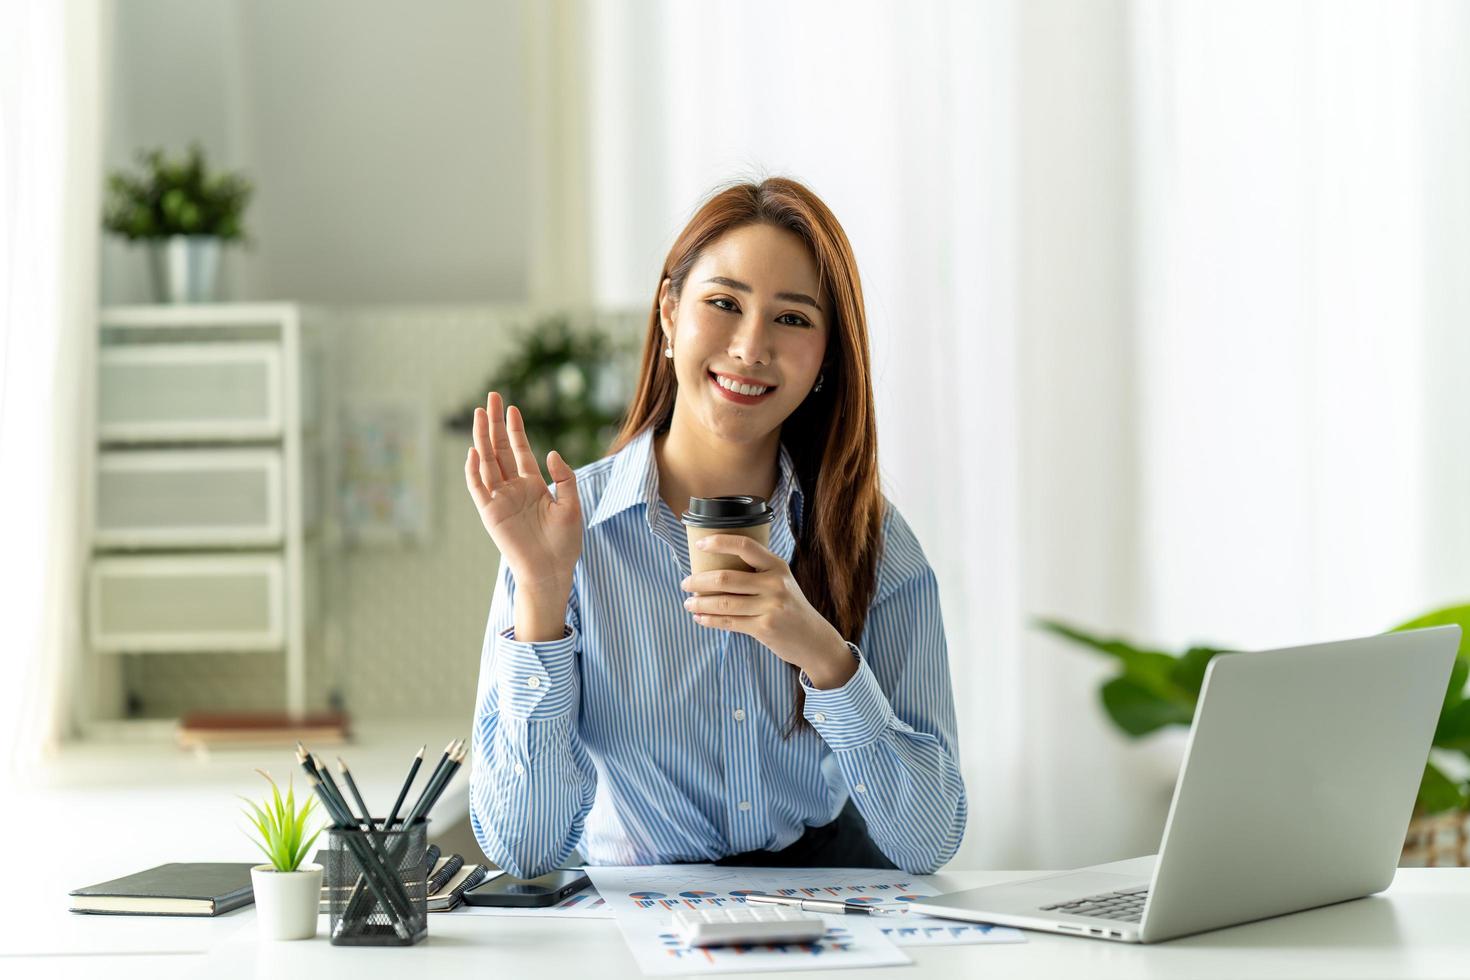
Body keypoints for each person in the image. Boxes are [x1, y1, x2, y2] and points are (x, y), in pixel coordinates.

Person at [465, 176, 965, 877]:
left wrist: (824, 657)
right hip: (633, 918)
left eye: (792, 319)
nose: (751, 347)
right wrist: (543, 595)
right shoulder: (564, 534)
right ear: (669, 314)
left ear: (826, 358)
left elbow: (929, 840)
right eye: (723, 304)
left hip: (818, 910)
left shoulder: (870, 538)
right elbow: (523, 849)